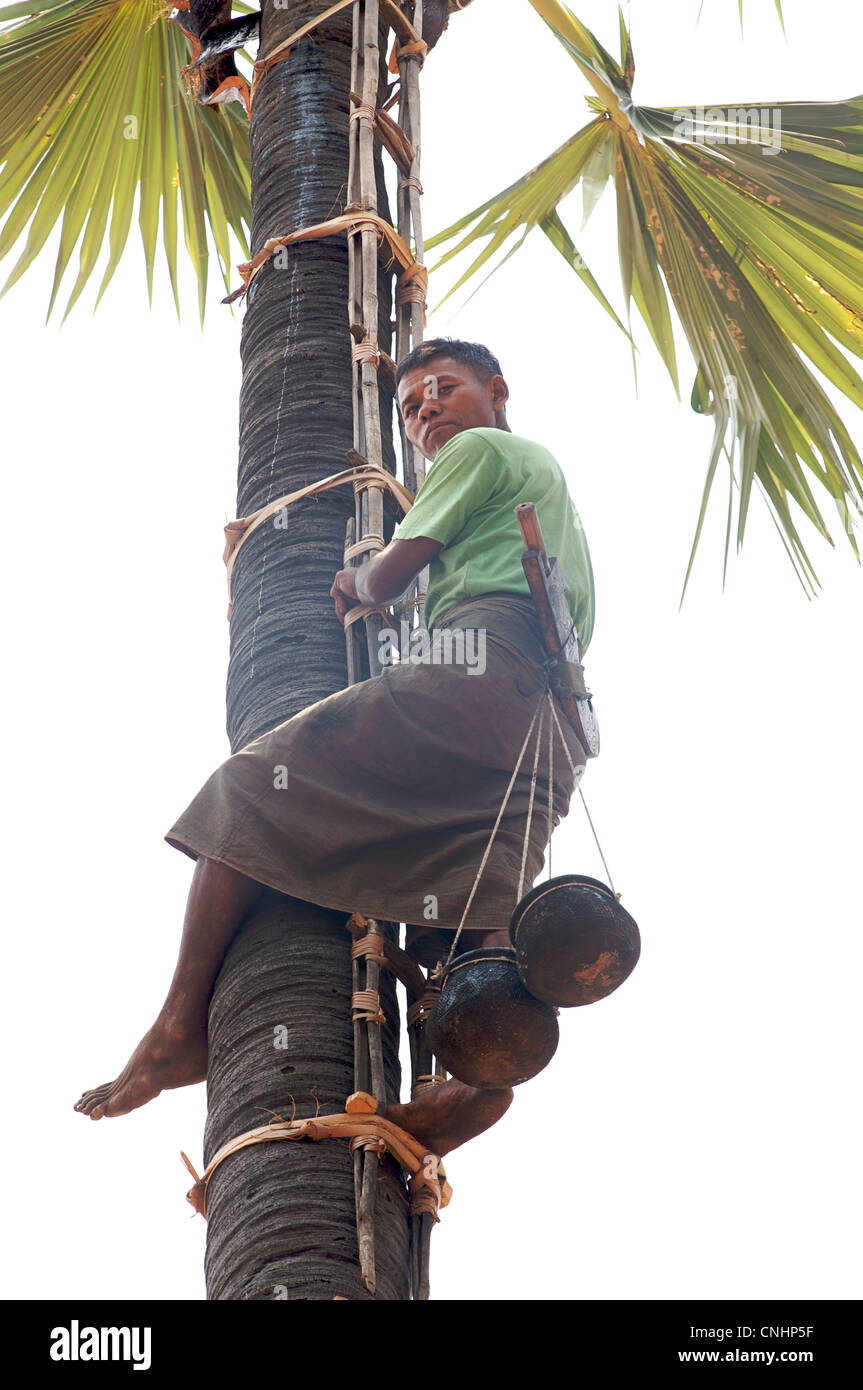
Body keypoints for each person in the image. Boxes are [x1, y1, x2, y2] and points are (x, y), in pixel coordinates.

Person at [74, 339, 595, 1156]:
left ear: (497, 394)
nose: (428, 411)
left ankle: (179, 1025)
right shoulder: (544, 488)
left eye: (444, 390)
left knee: (248, 791)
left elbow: (387, 579)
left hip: (476, 678)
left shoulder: (480, 450)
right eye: (413, 404)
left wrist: (357, 580)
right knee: (474, 916)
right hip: (550, 730)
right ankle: (474, 1085)